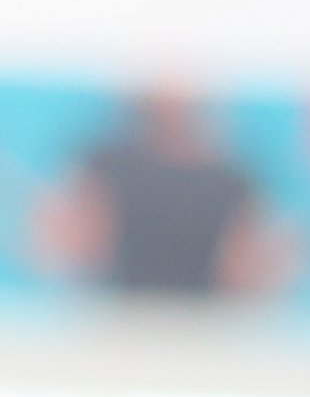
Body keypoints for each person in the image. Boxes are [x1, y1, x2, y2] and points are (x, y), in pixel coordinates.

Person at [31, 87, 288, 303]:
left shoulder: (232, 181)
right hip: (117, 318)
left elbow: (242, 272)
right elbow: (79, 250)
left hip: (202, 326)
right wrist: (62, 232)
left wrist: (268, 263)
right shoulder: (106, 165)